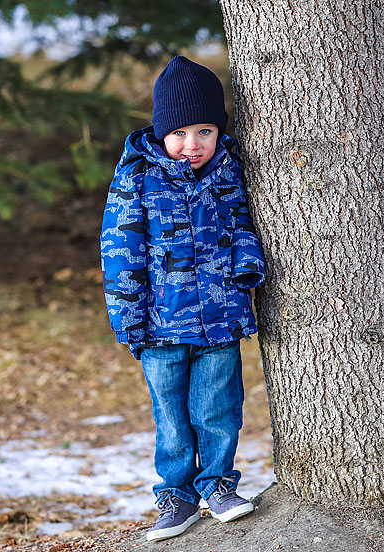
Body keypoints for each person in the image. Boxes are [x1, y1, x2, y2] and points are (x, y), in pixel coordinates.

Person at [100, 56, 265, 542]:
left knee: (217, 409)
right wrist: (127, 318)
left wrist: (246, 263)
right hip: (159, 327)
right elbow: (120, 250)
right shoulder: (137, 176)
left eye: (205, 132)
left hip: (220, 320)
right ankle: (176, 496)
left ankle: (217, 485)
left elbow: (241, 225)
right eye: (180, 134)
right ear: (160, 132)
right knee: (171, 416)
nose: (192, 145)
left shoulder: (228, 172)